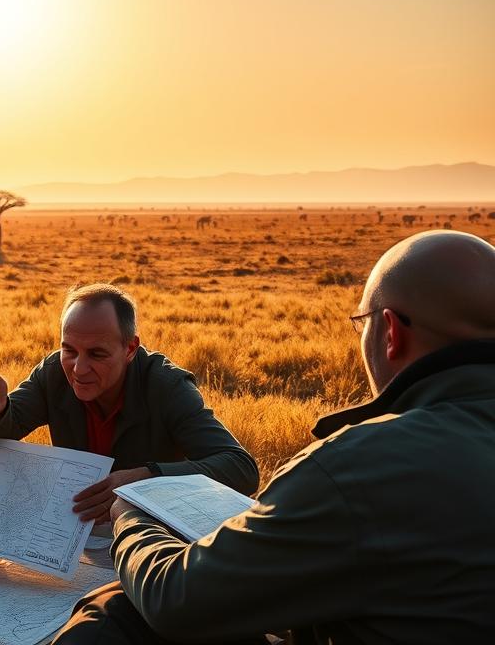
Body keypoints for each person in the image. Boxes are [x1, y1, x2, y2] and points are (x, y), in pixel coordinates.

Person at [55, 230, 495, 644]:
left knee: (114, 611)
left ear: (391, 333)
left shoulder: (360, 465)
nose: (78, 366)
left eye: (362, 325)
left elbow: (178, 599)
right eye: (69, 352)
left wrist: (133, 516)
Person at [0, 283, 259, 523]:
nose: (79, 368)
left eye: (97, 354)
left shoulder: (165, 385)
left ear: (130, 349)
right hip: (75, 534)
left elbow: (239, 468)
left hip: (152, 536)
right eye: (69, 350)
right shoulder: (53, 373)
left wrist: (145, 478)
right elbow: (13, 421)